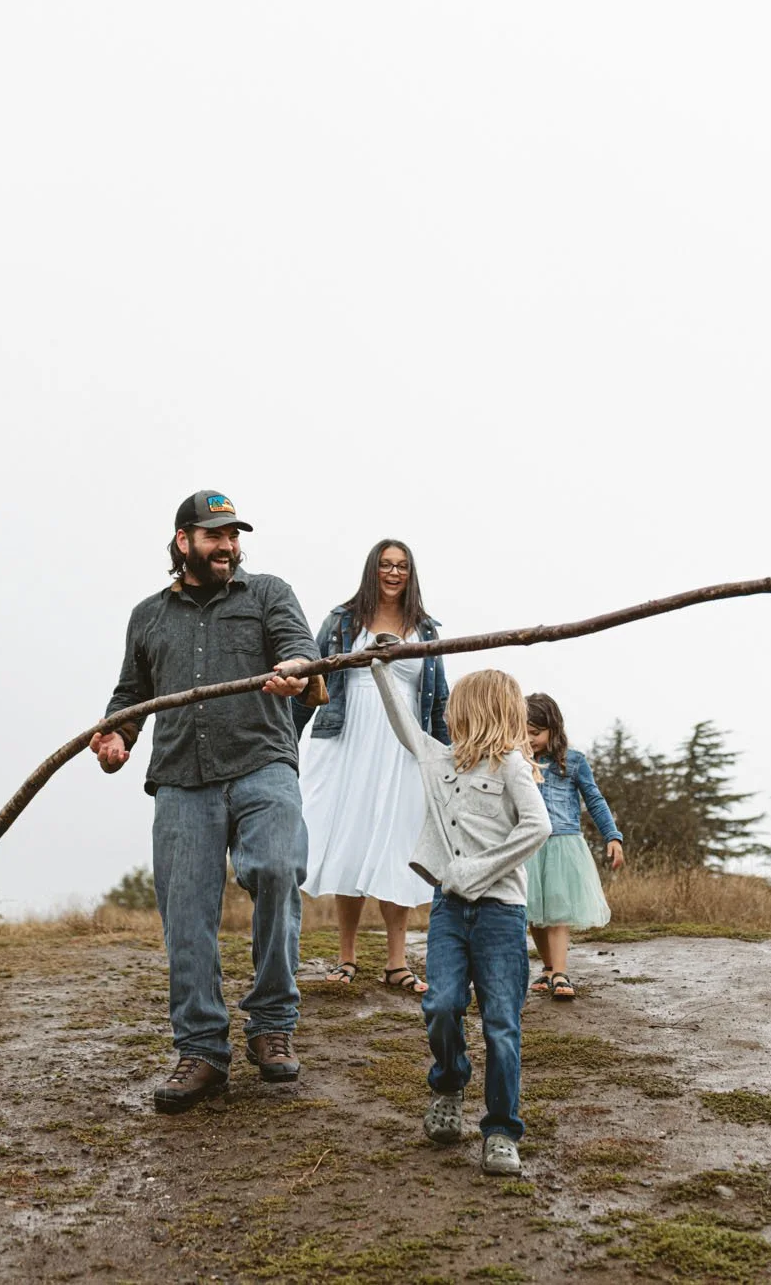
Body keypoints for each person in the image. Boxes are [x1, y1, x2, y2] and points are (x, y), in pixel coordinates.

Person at [90, 490, 325, 1114]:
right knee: (186, 914)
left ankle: (272, 1024)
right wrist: (117, 735)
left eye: (233, 536)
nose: (227, 546)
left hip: (263, 763)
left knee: (277, 870)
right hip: (181, 778)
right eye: (214, 535)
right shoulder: (147, 616)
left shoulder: (268, 592)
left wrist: (297, 671)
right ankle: (201, 1049)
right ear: (182, 541)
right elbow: (130, 696)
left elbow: (300, 649)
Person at [368, 650, 551, 1176]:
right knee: (443, 1004)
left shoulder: (513, 766)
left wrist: (479, 870)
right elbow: (404, 724)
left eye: (455, 706)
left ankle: (500, 1130)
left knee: (500, 1024)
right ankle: (449, 1085)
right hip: (449, 911)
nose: (446, 713)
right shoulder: (437, 761)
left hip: (500, 915)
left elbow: (536, 828)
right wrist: (380, 668)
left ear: (479, 709)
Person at [295, 539, 451, 994]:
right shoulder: (343, 622)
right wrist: (288, 736)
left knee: (396, 842)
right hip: (348, 741)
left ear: (411, 573)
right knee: (352, 839)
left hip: (402, 744)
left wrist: (446, 754)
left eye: (402, 566)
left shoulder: (425, 629)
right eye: (385, 565)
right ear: (372, 569)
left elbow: (437, 699)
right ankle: (346, 957)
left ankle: (396, 961)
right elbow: (310, 680)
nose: (393, 572)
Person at [523, 693, 624, 1002]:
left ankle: (561, 972)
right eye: (523, 732)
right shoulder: (517, 760)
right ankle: (549, 966)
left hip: (563, 845)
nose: (530, 739)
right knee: (534, 912)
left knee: (557, 910)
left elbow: (594, 799)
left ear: (553, 729)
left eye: (535, 733)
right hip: (528, 845)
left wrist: (612, 836)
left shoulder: (574, 761)